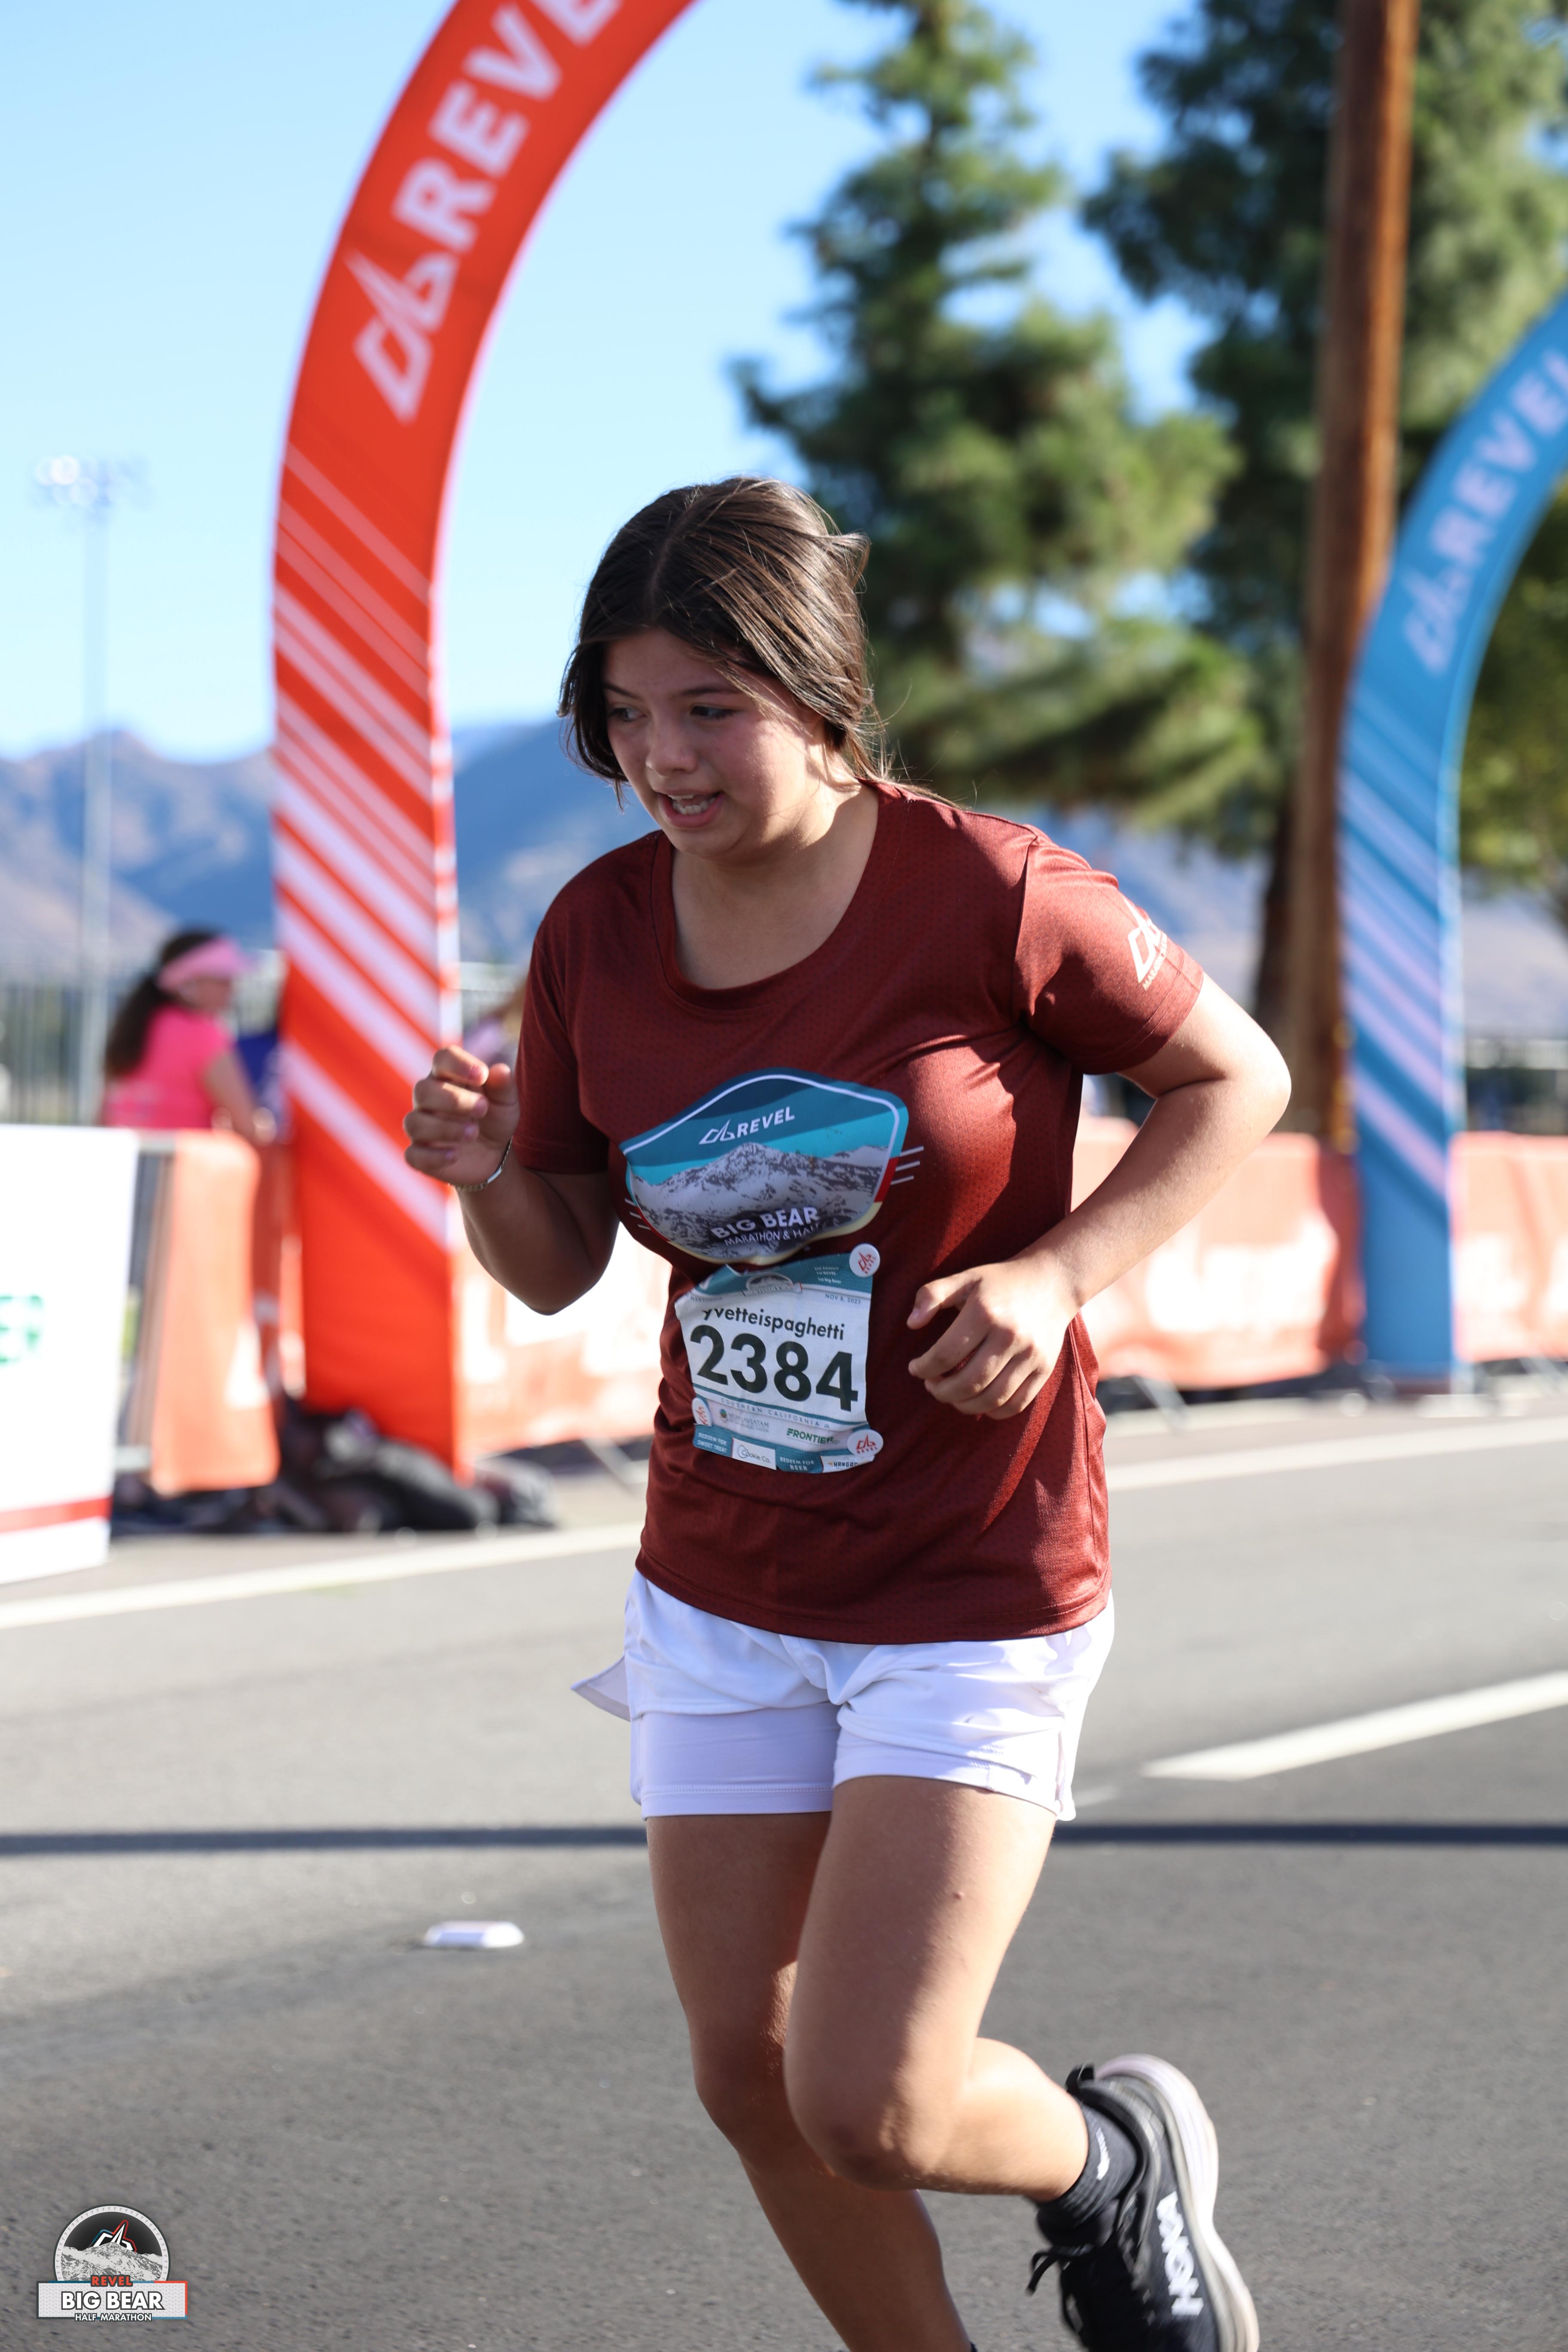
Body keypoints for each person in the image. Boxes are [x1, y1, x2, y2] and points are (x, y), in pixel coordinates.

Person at [404, 478, 1287, 2352]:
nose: (662, 757)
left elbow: (1236, 1077)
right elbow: (556, 1259)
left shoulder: (991, 892)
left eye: (707, 707)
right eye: (625, 713)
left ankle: (1105, 2163)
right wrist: (486, 1172)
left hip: (970, 1575)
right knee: (748, 2071)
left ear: (818, 693)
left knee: (868, 2095)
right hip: (721, 1576)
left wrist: (1054, 1272)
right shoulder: (594, 931)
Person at [102, 929, 268, 1142]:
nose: (232, 988)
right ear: (188, 984)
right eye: (223, 980)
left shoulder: (134, 1025)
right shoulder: (203, 1033)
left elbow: (103, 1116)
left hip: (125, 1158)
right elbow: (246, 1125)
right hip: (180, 1160)